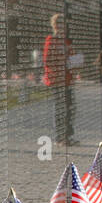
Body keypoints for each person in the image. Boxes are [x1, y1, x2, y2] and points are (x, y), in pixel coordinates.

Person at [43, 13, 77, 144]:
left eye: (63, 25)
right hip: (57, 79)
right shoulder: (51, 41)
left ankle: (68, 136)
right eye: (59, 24)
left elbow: (72, 56)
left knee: (70, 107)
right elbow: (47, 61)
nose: (61, 27)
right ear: (54, 25)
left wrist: (75, 61)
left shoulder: (66, 42)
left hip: (67, 79)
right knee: (60, 108)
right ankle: (60, 136)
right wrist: (65, 60)